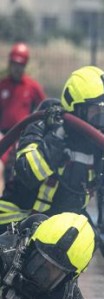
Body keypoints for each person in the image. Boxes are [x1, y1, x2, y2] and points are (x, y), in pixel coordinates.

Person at [0, 66, 104, 231]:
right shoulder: (43, 128)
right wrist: (56, 140)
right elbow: (27, 173)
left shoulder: (101, 143)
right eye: (96, 110)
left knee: (86, 239)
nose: (102, 119)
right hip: (16, 223)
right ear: (77, 108)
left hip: (57, 228)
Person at [0, 43, 46, 196]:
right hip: (4, 136)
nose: (16, 68)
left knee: (22, 169)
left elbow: (44, 111)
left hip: (23, 137)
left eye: (20, 64)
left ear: (25, 65)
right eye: (14, 64)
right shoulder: (2, 85)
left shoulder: (32, 87)